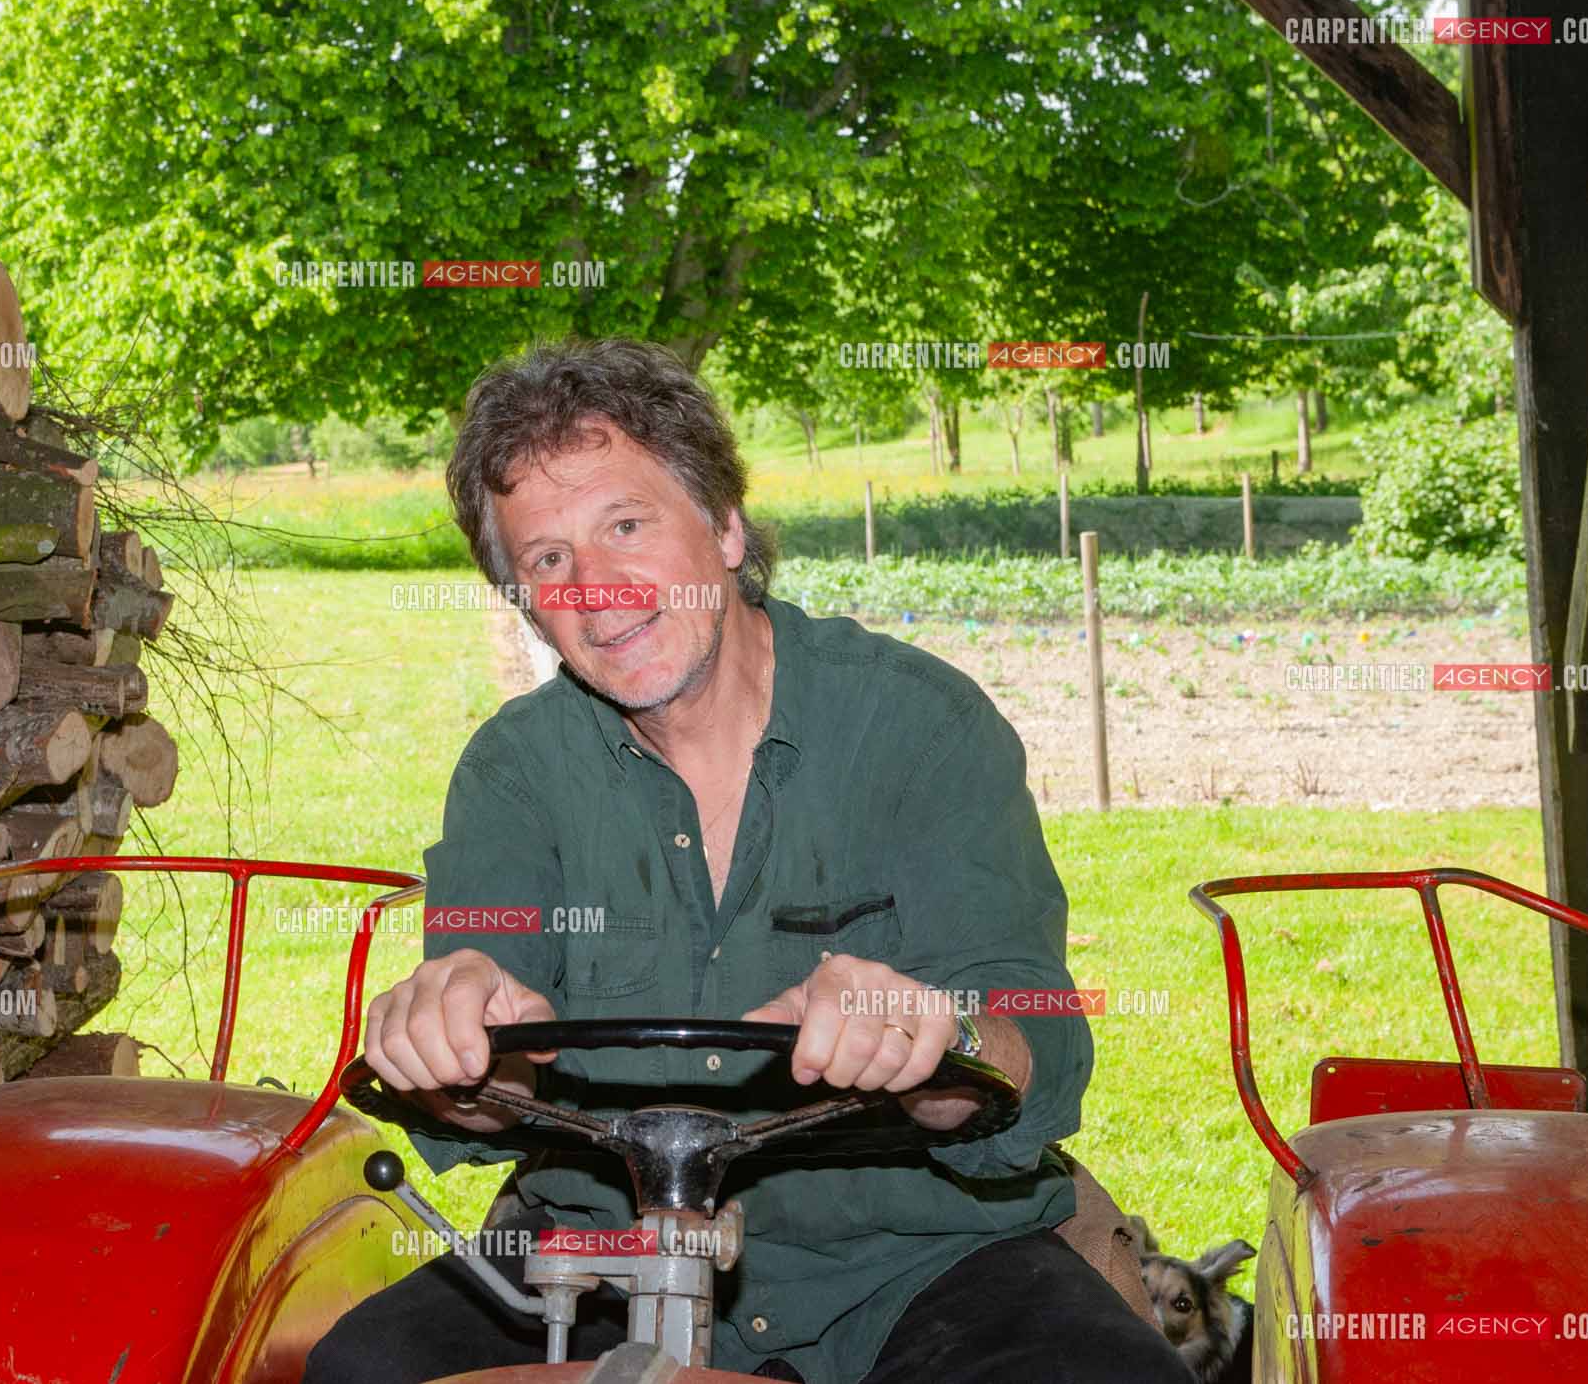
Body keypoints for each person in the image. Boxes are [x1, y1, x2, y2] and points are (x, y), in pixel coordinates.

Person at [303, 339, 1189, 1384]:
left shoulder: (921, 727)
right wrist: (458, 1043)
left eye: (625, 526)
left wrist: (936, 1042)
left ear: (724, 529)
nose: (593, 589)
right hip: (594, 1253)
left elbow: (1033, 1047)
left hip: (917, 1258)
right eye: (547, 559)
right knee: (359, 1370)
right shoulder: (515, 773)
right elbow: (486, 1097)